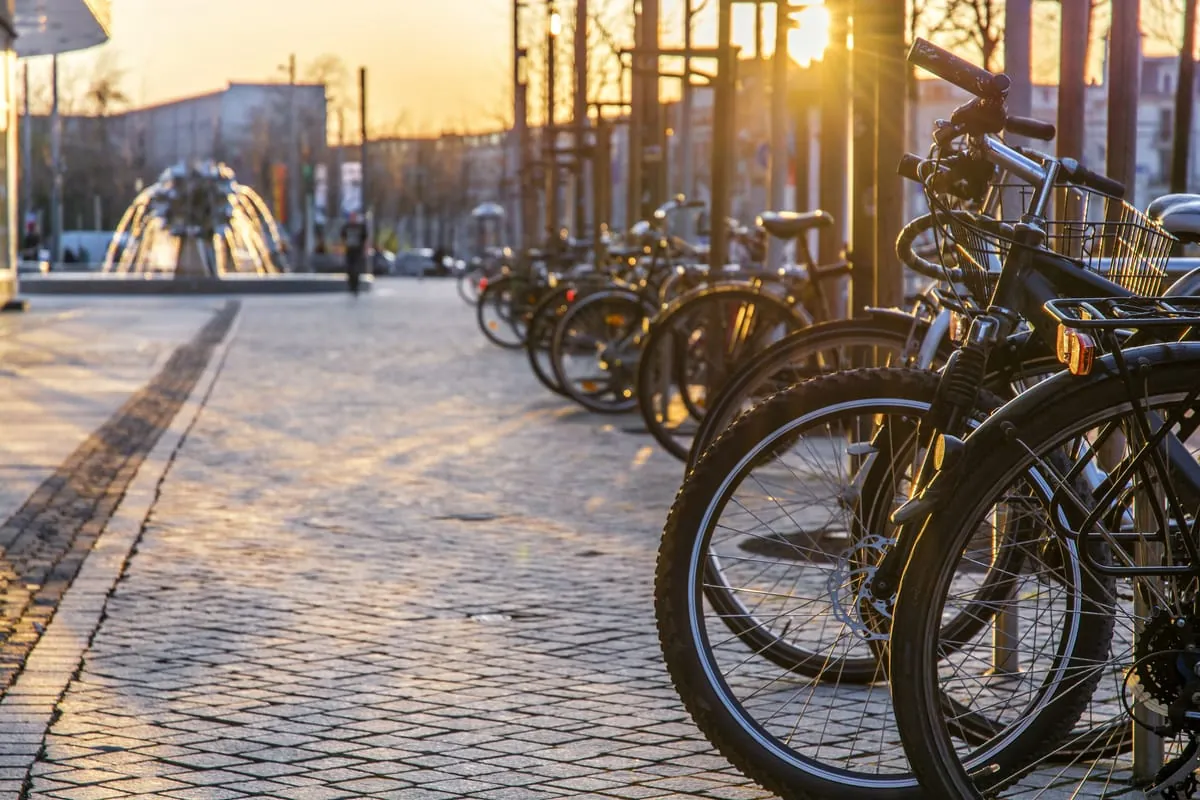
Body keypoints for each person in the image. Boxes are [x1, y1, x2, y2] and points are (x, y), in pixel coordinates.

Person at [341, 213, 368, 295]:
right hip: (349, 250)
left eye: (354, 217)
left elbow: (365, 239)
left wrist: (365, 249)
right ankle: (351, 285)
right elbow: (343, 237)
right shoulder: (346, 227)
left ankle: (356, 286)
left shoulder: (360, 227)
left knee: (356, 269)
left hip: (358, 251)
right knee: (349, 268)